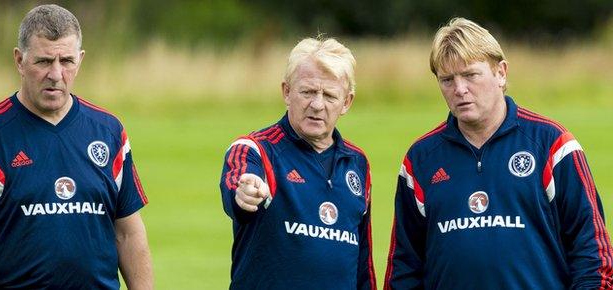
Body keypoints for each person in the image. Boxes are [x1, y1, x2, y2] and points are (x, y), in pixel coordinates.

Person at [384, 17, 613, 289]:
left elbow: (593, 254)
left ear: (501, 73)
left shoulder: (553, 145)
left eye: (470, 75)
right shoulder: (421, 160)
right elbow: (404, 268)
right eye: (447, 79)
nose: (459, 89)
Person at [0, 4, 153, 289]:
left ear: (80, 59)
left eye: (66, 61)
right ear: (19, 60)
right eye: (43, 61)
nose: (55, 74)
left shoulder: (109, 131)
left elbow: (127, 232)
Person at [220, 37, 376, 289]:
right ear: (287, 91)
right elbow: (236, 188)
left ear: (346, 102)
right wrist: (244, 192)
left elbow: (363, 264)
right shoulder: (255, 150)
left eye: (329, 95)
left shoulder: (357, 163)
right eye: (308, 91)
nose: (317, 104)